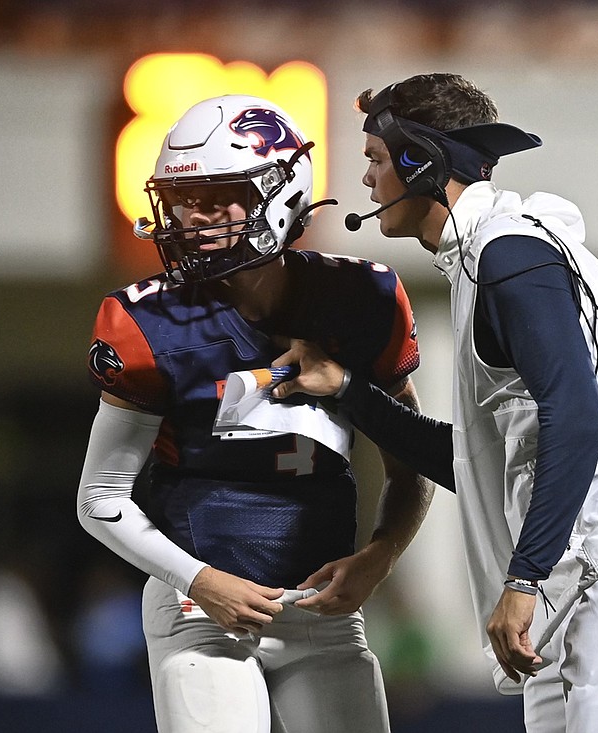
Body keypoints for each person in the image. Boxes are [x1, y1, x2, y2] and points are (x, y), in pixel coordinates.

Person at [272, 73, 598, 732]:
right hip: (576, 580)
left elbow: (577, 414)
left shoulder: (509, 249)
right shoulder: (488, 258)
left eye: (375, 158)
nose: (367, 180)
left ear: (419, 162)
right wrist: (347, 391)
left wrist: (523, 578)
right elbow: (479, 462)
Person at [76, 94, 433, 733]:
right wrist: (201, 580)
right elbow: (100, 498)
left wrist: (380, 555)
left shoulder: (364, 297)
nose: (198, 216)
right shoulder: (147, 320)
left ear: (281, 190)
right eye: (186, 198)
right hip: (198, 609)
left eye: (221, 195)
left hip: (321, 612)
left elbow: (412, 464)